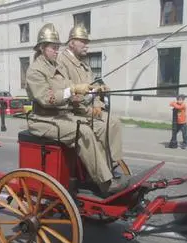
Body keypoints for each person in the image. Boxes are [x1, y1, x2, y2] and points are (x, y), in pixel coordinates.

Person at [25, 23, 133, 195]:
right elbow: (47, 98)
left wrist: (88, 90)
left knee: (97, 126)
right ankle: (105, 183)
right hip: (43, 120)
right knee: (84, 132)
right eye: (53, 48)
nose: (56, 51)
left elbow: (69, 88)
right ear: (41, 47)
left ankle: (100, 172)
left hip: (61, 116)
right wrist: (72, 91)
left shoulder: (55, 66)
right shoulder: (35, 70)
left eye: (57, 47)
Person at [56, 24, 124, 169]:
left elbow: (92, 87)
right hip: (74, 111)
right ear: (72, 42)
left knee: (115, 122)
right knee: (102, 126)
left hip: (90, 109)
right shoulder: (62, 62)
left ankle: (112, 162)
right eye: (83, 42)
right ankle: (99, 169)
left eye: (87, 42)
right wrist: (89, 108)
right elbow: (66, 92)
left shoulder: (84, 64)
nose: (87, 46)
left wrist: (99, 97)